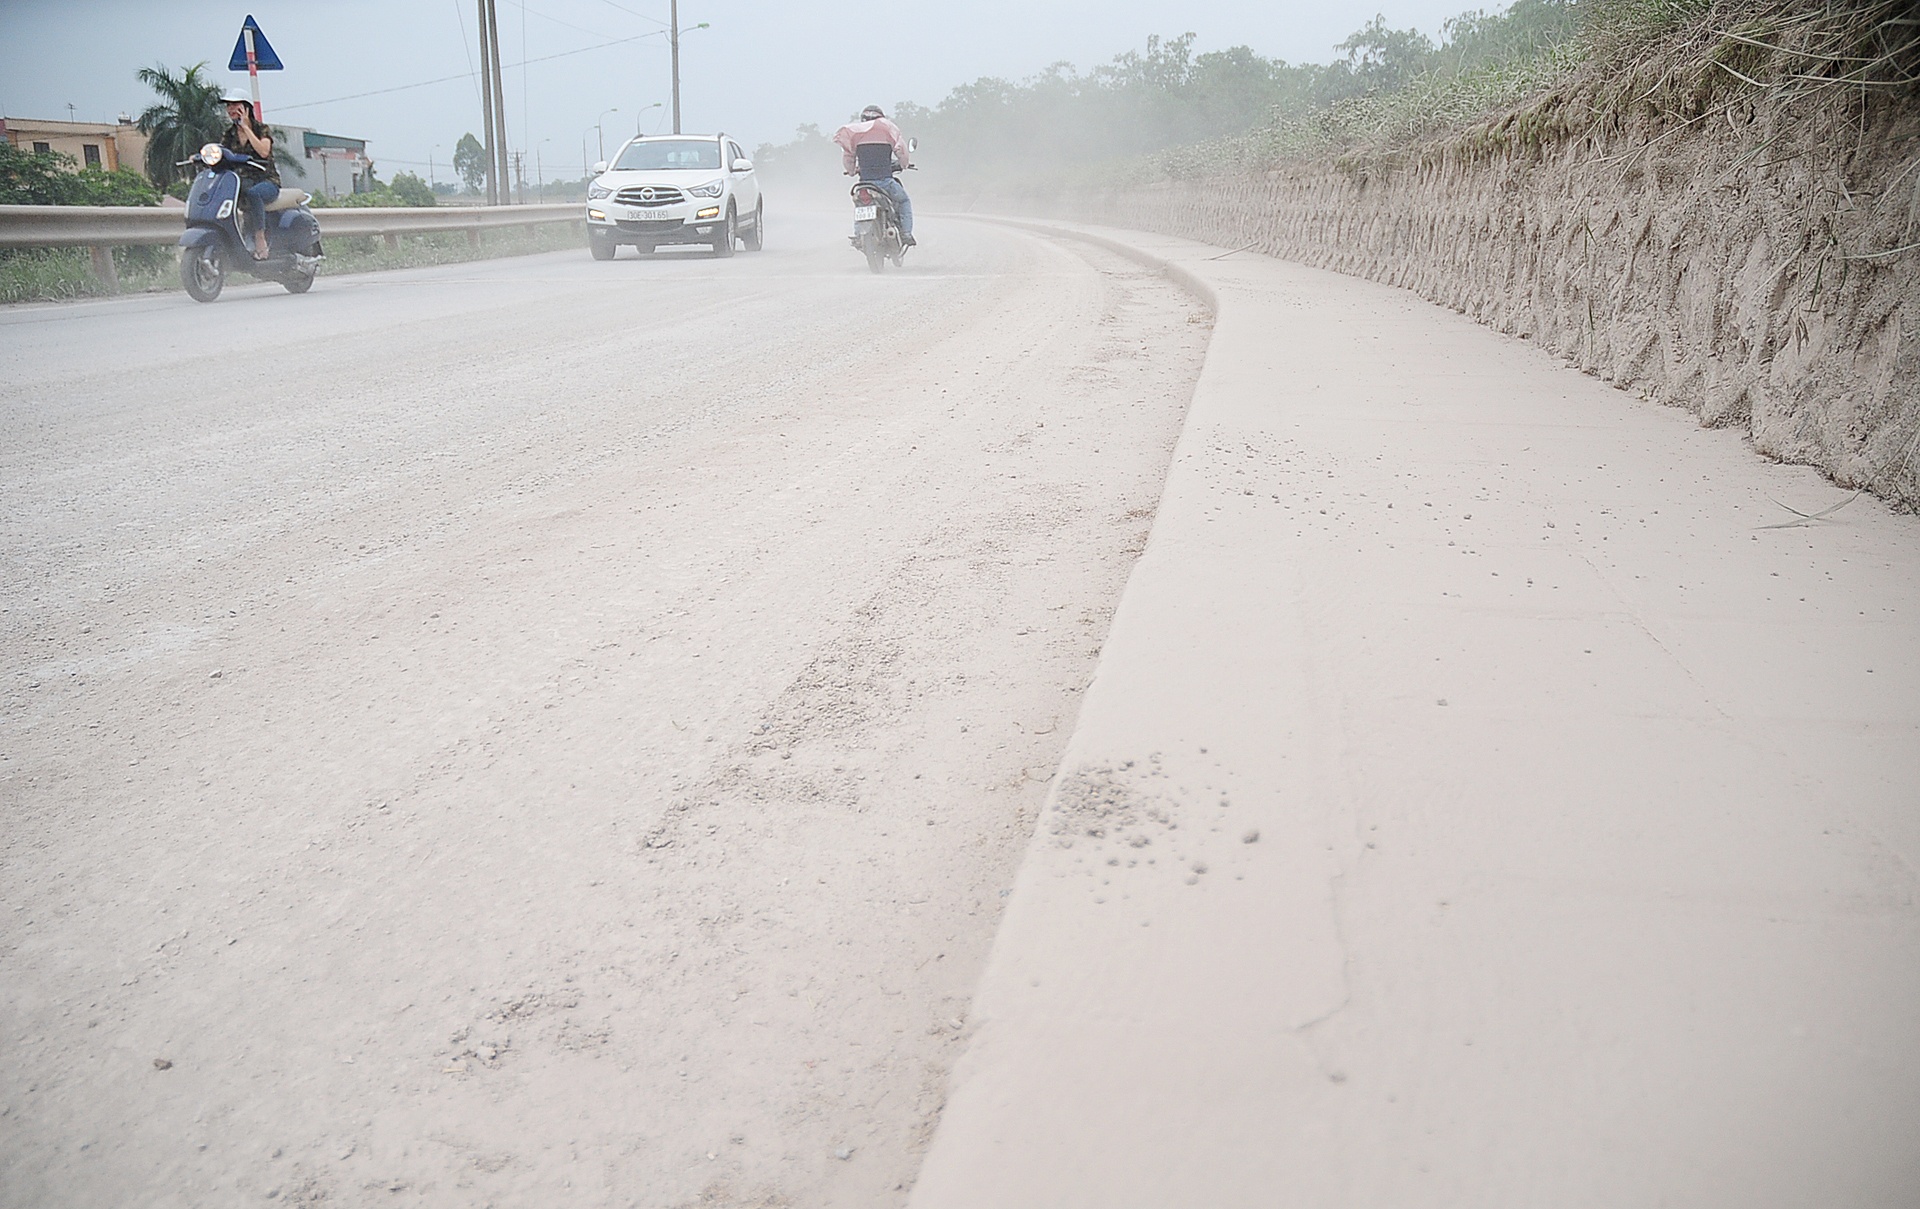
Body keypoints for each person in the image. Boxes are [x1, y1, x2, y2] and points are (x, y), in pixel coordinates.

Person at [833, 105, 914, 246]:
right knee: (903, 201)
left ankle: (858, 235)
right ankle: (906, 233)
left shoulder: (855, 135)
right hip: (885, 182)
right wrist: (904, 164)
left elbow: (848, 158)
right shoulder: (889, 131)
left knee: (860, 205)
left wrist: (851, 171)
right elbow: (901, 151)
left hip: (864, 184)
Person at [219, 93, 280, 260]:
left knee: (254, 193)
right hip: (243, 181)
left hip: (266, 180)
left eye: (235, 105)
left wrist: (246, 128)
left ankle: (260, 238)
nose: (231, 109)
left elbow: (263, 151)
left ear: (246, 108)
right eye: (228, 106)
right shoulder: (229, 134)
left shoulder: (261, 129)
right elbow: (222, 152)